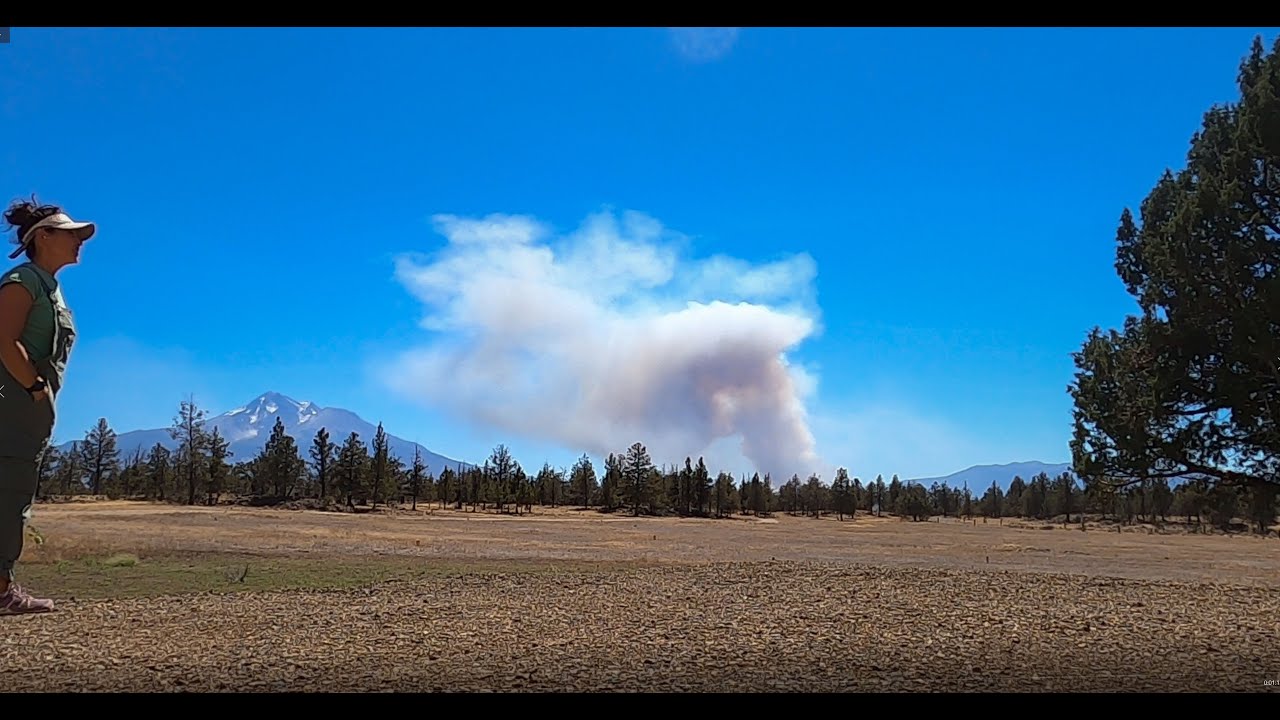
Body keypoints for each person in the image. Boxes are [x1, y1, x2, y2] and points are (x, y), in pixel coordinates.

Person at [0, 196, 94, 615]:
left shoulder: (48, 287)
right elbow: (3, 338)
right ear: (44, 237)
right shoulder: (23, 280)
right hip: (13, 404)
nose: (80, 242)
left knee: (13, 491)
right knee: (8, 492)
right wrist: (36, 388)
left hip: (25, 407)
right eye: (71, 234)